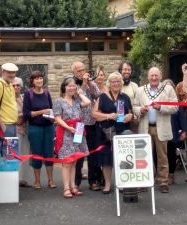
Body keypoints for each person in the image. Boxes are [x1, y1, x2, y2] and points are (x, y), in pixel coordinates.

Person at [133, 67, 178, 193]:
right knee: (143, 156)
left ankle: (163, 181)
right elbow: (134, 106)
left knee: (162, 157)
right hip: (145, 127)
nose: (154, 78)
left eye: (156, 75)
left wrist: (161, 108)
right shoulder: (141, 90)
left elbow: (175, 107)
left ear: (160, 76)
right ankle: (143, 182)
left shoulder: (168, 89)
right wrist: (140, 110)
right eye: (152, 75)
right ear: (148, 76)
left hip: (161, 127)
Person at [92, 72, 133, 194]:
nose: (116, 83)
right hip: (106, 133)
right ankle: (108, 184)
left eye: (118, 81)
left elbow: (131, 113)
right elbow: (94, 114)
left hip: (122, 132)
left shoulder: (125, 97)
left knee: (123, 159)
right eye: (113, 81)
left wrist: (129, 116)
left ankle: (121, 183)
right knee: (106, 159)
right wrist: (108, 116)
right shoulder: (103, 97)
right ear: (109, 84)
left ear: (121, 83)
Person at [53, 76, 91, 198]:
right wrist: (68, 128)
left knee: (74, 161)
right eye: (69, 85)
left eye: (74, 85)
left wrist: (79, 93)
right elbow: (57, 118)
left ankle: (73, 186)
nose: (72, 87)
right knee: (67, 162)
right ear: (64, 88)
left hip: (78, 130)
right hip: (66, 131)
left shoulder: (77, 101)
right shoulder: (58, 101)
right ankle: (66, 188)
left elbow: (88, 102)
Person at [23, 71, 56, 189]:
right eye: (36, 79)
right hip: (35, 128)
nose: (39, 80)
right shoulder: (28, 94)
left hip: (48, 127)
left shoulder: (47, 93)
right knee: (37, 153)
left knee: (49, 153)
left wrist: (52, 117)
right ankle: (37, 181)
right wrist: (41, 112)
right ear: (32, 81)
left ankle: (51, 180)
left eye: (41, 78)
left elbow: (51, 109)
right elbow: (26, 113)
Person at [71, 61, 102, 191]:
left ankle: (93, 180)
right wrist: (83, 84)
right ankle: (76, 182)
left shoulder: (91, 82)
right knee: (78, 154)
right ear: (73, 72)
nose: (82, 73)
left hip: (91, 123)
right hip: (78, 125)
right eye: (79, 71)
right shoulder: (71, 84)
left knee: (93, 153)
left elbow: (98, 95)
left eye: (83, 70)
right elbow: (78, 98)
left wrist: (89, 82)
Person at [163, 79, 187, 185]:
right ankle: (161, 174)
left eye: (170, 87)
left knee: (171, 154)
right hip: (161, 131)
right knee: (159, 154)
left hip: (173, 132)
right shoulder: (158, 101)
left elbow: (182, 118)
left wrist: (184, 131)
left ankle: (171, 174)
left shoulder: (176, 102)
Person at [0, 62, 19, 137]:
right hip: (4, 125)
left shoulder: (10, 85)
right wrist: (2, 125)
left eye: (13, 72)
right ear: (3, 72)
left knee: (11, 148)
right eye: (9, 72)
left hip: (12, 125)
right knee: (5, 149)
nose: (12, 75)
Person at [13, 77, 31, 188]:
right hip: (15, 128)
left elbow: (28, 111)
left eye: (18, 85)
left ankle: (23, 179)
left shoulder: (24, 98)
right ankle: (15, 180)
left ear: (21, 86)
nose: (16, 87)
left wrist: (24, 115)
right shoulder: (8, 99)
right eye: (13, 85)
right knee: (16, 155)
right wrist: (19, 116)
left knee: (25, 153)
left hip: (26, 128)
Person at [119, 60, 139, 133]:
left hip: (132, 120)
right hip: (117, 120)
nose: (127, 71)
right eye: (125, 69)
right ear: (120, 70)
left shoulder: (135, 86)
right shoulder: (115, 85)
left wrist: (134, 117)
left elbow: (137, 103)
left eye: (129, 70)